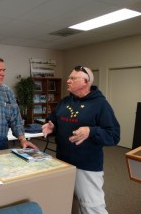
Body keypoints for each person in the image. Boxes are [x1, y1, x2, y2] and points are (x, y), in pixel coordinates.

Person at [42, 66, 120, 214]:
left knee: (91, 207)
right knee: (66, 202)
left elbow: (114, 135)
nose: (68, 80)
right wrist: (51, 127)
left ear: (85, 81)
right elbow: (54, 122)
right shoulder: (64, 101)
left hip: (86, 166)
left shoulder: (100, 104)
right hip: (62, 162)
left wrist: (91, 131)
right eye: (69, 77)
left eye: (72, 78)